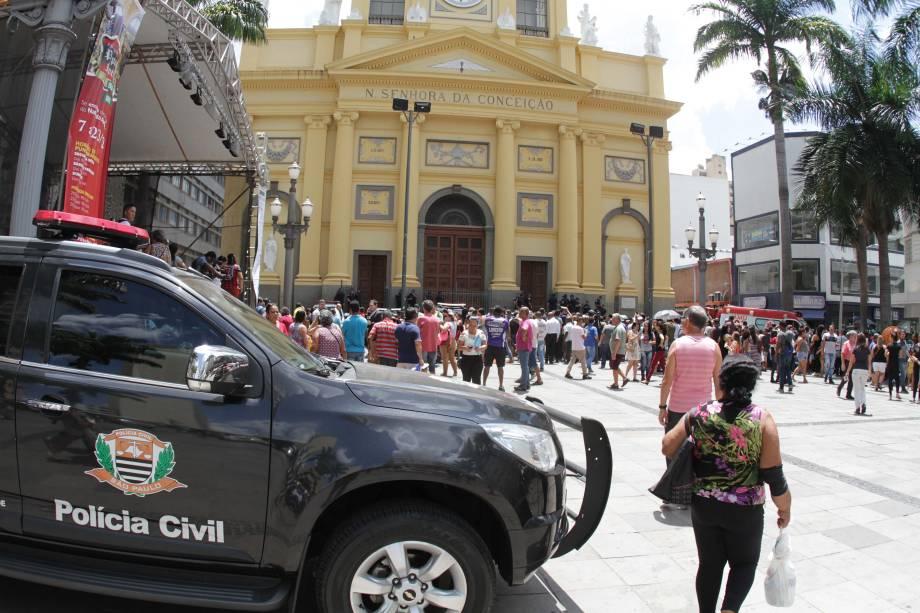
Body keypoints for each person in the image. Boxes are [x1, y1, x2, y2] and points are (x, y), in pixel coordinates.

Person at [662, 355, 792, 613]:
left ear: (721, 383)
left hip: (704, 505)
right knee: (743, 565)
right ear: (751, 385)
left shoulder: (699, 412)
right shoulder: (761, 418)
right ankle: (729, 610)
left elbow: (667, 445)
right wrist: (784, 507)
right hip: (745, 510)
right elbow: (772, 473)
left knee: (709, 565)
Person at [658, 305, 723, 468]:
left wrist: (662, 406)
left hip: (678, 409)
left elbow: (667, 380)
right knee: (700, 453)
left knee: (673, 451)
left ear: (688, 322)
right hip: (704, 410)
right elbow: (718, 381)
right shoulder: (714, 346)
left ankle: (675, 488)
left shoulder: (677, 345)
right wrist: (721, 409)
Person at [483, 306, 509, 391]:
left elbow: (485, 330)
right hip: (500, 346)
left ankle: (484, 384)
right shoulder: (505, 321)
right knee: (500, 367)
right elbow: (507, 334)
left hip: (489, 345)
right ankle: (501, 385)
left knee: (487, 366)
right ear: (501, 313)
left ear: (493, 312)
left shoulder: (487, 320)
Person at [846, 333, 872, 415]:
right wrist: (870, 371)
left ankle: (857, 407)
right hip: (864, 370)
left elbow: (851, 361)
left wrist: (847, 371)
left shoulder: (855, 349)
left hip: (856, 370)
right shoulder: (867, 349)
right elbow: (869, 362)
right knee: (862, 388)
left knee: (856, 389)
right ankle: (863, 403)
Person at [458, 315, 486, 384]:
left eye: (474, 325)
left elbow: (485, 345)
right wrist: (465, 348)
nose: (472, 327)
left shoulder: (481, 333)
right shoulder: (464, 333)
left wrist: (480, 348)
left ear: (477, 325)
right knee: (466, 380)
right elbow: (458, 347)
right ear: (468, 324)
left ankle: (476, 394)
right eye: (471, 325)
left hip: (477, 359)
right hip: (466, 359)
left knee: (476, 380)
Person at [514, 307, 537, 393]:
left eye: (521, 312)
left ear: (526, 314)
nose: (519, 313)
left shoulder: (525, 322)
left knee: (524, 367)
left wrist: (523, 337)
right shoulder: (526, 321)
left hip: (524, 347)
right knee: (525, 366)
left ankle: (523, 385)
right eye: (519, 311)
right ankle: (526, 384)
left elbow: (524, 329)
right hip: (524, 347)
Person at [417, 300, 441, 374]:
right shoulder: (437, 320)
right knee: (432, 367)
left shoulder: (421, 319)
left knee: (423, 367)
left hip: (423, 347)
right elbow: (438, 332)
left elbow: (417, 332)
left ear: (424, 308)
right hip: (433, 346)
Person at [608, 313, 628, 390]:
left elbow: (618, 341)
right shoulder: (619, 327)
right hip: (618, 351)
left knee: (614, 367)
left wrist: (614, 353)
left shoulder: (619, 328)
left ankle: (616, 384)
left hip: (618, 352)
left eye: (613, 318)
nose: (611, 320)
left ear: (617, 319)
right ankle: (624, 378)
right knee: (614, 366)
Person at [837, 330, 858, 400]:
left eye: (856, 336)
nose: (855, 337)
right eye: (854, 336)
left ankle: (848, 394)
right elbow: (842, 354)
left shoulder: (856, 344)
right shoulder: (846, 343)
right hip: (847, 362)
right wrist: (843, 363)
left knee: (852, 379)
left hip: (854, 363)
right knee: (846, 377)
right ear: (850, 336)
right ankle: (840, 387)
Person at [644, 320, 666, 384]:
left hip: (659, 351)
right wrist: (657, 343)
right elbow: (662, 339)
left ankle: (647, 380)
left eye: (655, 325)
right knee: (663, 366)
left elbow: (662, 338)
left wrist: (661, 343)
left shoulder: (660, 333)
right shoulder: (658, 332)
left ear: (658, 327)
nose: (654, 326)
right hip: (661, 351)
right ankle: (665, 380)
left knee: (653, 365)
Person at [886, 332, 903, 401]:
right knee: (897, 379)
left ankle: (890, 395)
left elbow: (886, 354)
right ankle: (897, 393)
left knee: (890, 379)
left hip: (890, 364)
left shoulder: (889, 346)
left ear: (891, 338)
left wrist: (889, 356)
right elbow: (901, 355)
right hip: (896, 363)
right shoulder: (899, 346)